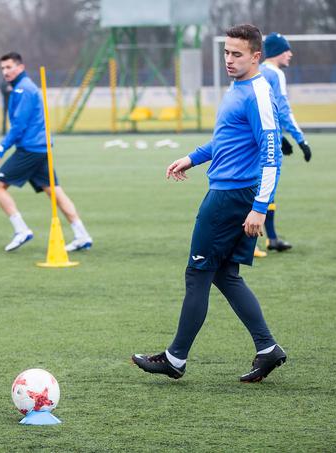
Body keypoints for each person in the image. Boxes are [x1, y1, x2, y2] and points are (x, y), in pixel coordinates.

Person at [132, 24, 287, 383]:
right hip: (233, 192)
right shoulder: (239, 87)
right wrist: (193, 157)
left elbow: (271, 155)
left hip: (231, 196)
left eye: (237, 54)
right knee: (225, 274)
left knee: (197, 273)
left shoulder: (258, 95)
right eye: (226, 53)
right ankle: (267, 349)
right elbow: (228, 140)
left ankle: (175, 358)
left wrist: (260, 207)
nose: (229, 60)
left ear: (256, 56)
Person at [0, 52, 92, 252]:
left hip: (31, 149)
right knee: (54, 192)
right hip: (40, 148)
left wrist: (0, 150)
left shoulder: (24, 90)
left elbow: (18, 126)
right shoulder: (22, 88)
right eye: (2, 68)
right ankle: (82, 235)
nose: (5, 72)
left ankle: (21, 230)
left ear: (20, 67)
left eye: (9, 67)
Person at [259, 32, 312, 252]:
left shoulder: (258, 71)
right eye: (286, 49)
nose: (290, 54)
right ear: (276, 52)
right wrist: (301, 140)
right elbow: (282, 109)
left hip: (260, 136)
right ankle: (245, 243)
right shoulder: (275, 73)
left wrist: (280, 137)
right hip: (264, 141)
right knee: (261, 188)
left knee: (265, 187)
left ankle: (271, 238)